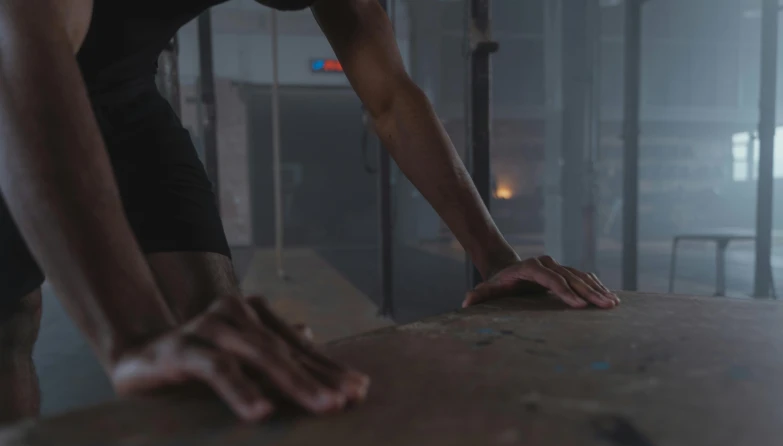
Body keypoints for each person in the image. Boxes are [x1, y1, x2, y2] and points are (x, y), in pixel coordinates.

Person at [0, 0, 619, 424]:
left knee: (221, 324)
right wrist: (132, 335)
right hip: (14, 66)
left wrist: (496, 262)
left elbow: (391, 98)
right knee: (13, 316)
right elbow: (18, 46)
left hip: (125, 94)